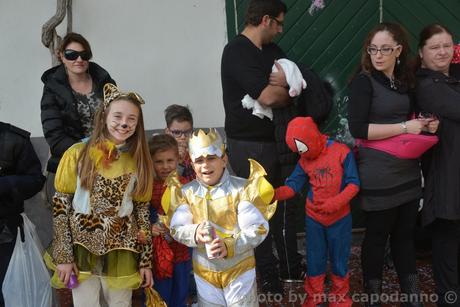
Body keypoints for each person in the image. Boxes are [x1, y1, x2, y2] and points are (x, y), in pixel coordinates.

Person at [347, 22, 436, 307]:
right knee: (375, 238)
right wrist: (404, 127)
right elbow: (359, 129)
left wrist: (425, 124)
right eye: (373, 49)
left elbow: (412, 119)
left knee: (404, 237)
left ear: (398, 50)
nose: (378, 55)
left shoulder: (404, 81)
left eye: (385, 49)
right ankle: (373, 298)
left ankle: (412, 296)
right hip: (378, 174)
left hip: (407, 173)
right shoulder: (364, 82)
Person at [46, 83, 153, 307]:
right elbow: (60, 205)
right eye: (118, 116)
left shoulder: (138, 161)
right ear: (104, 116)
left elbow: (142, 212)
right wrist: (64, 256)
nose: (124, 123)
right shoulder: (77, 154)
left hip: (122, 250)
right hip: (82, 248)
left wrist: (145, 261)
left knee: (120, 304)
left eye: (132, 119)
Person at [221, 0, 303, 291]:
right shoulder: (236, 51)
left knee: (283, 207)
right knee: (257, 211)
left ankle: (290, 267)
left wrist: (287, 88)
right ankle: (268, 276)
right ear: (266, 20)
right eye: (279, 23)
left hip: (277, 141)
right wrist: (288, 92)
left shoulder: (271, 51)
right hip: (248, 144)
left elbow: (292, 82)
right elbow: (268, 97)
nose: (280, 30)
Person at [168, 128, 276, 306]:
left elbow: (258, 228)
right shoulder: (185, 193)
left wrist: (229, 246)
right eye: (199, 160)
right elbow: (176, 228)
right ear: (192, 164)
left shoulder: (242, 189)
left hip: (240, 271)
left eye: (211, 158)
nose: (205, 165)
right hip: (205, 273)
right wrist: (195, 233)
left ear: (224, 159)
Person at [274, 117, 359, 307]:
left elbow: (354, 184)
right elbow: (293, 185)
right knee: (315, 260)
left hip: (340, 219)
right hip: (314, 220)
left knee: (339, 260)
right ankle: (315, 298)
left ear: (311, 138)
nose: (301, 154)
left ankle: (339, 298)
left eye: (302, 149)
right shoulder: (304, 160)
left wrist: (336, 203)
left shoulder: (341, 152)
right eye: (297, 151)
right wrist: (273, 194)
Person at [415, 23, 460, 306]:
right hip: (446, 179)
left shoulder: (451, 79)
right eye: (435, 47)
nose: (442, 52)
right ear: (421, 53)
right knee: (448, 246)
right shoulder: (427, 85)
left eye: (447, 45)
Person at [40, 32, 115, 199]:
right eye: (71, 55)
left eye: (84, 54)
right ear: (61, 56)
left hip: (108, 162)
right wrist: (87, 153)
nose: (79, 60)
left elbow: (120, 116)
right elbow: (54, 134)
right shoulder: (53, 87)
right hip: (72, 165)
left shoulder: (104, 80)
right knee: (74, 221)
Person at [0, 122, 46, 307]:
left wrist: (4, 185)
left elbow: (35, 180)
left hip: (5, 233)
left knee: (9, 290)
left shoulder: (13, 138)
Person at [146, 134, 191, 306]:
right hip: (156, 253)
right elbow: (138, 216)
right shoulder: (147, 187)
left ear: (178, 159)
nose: (165, 166)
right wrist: (150, 227)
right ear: (151, 161)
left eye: (170, 160)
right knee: (159, 294)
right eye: (159, 161)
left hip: (182, 250)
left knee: (180, 293)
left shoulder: (185, 184)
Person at [164, 104, 195, 182]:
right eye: (177, 132)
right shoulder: (162, 154)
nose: (183, 137)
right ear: (167, 132)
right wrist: (179, 162)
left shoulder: (197, 153)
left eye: (187, 132)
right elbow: (168, 183)